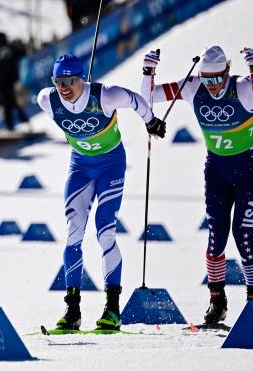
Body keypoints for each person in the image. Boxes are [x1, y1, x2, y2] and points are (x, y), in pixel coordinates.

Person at [140, 46, 253, 325]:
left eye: (216, 79)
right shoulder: (193, 87)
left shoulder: (244, 87)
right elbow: (147, 97)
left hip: (248, 171)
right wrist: (148, 72)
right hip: (217, 172)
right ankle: (216, 302)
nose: (211, 85)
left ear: (227, 72)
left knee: (243, 236)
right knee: (216, 238)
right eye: (206, 79)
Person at [38, 54, 166, 330]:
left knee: (105, 230)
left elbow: (135, 100)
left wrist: (151, 121)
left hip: (110, 165)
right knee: (73, 232)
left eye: (70, 81)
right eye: (58, 81)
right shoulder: (46, 99)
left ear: (81, 78)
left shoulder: (106, 96)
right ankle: (72, 311)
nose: (64, 87)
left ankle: (112, 309)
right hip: (80, 167)